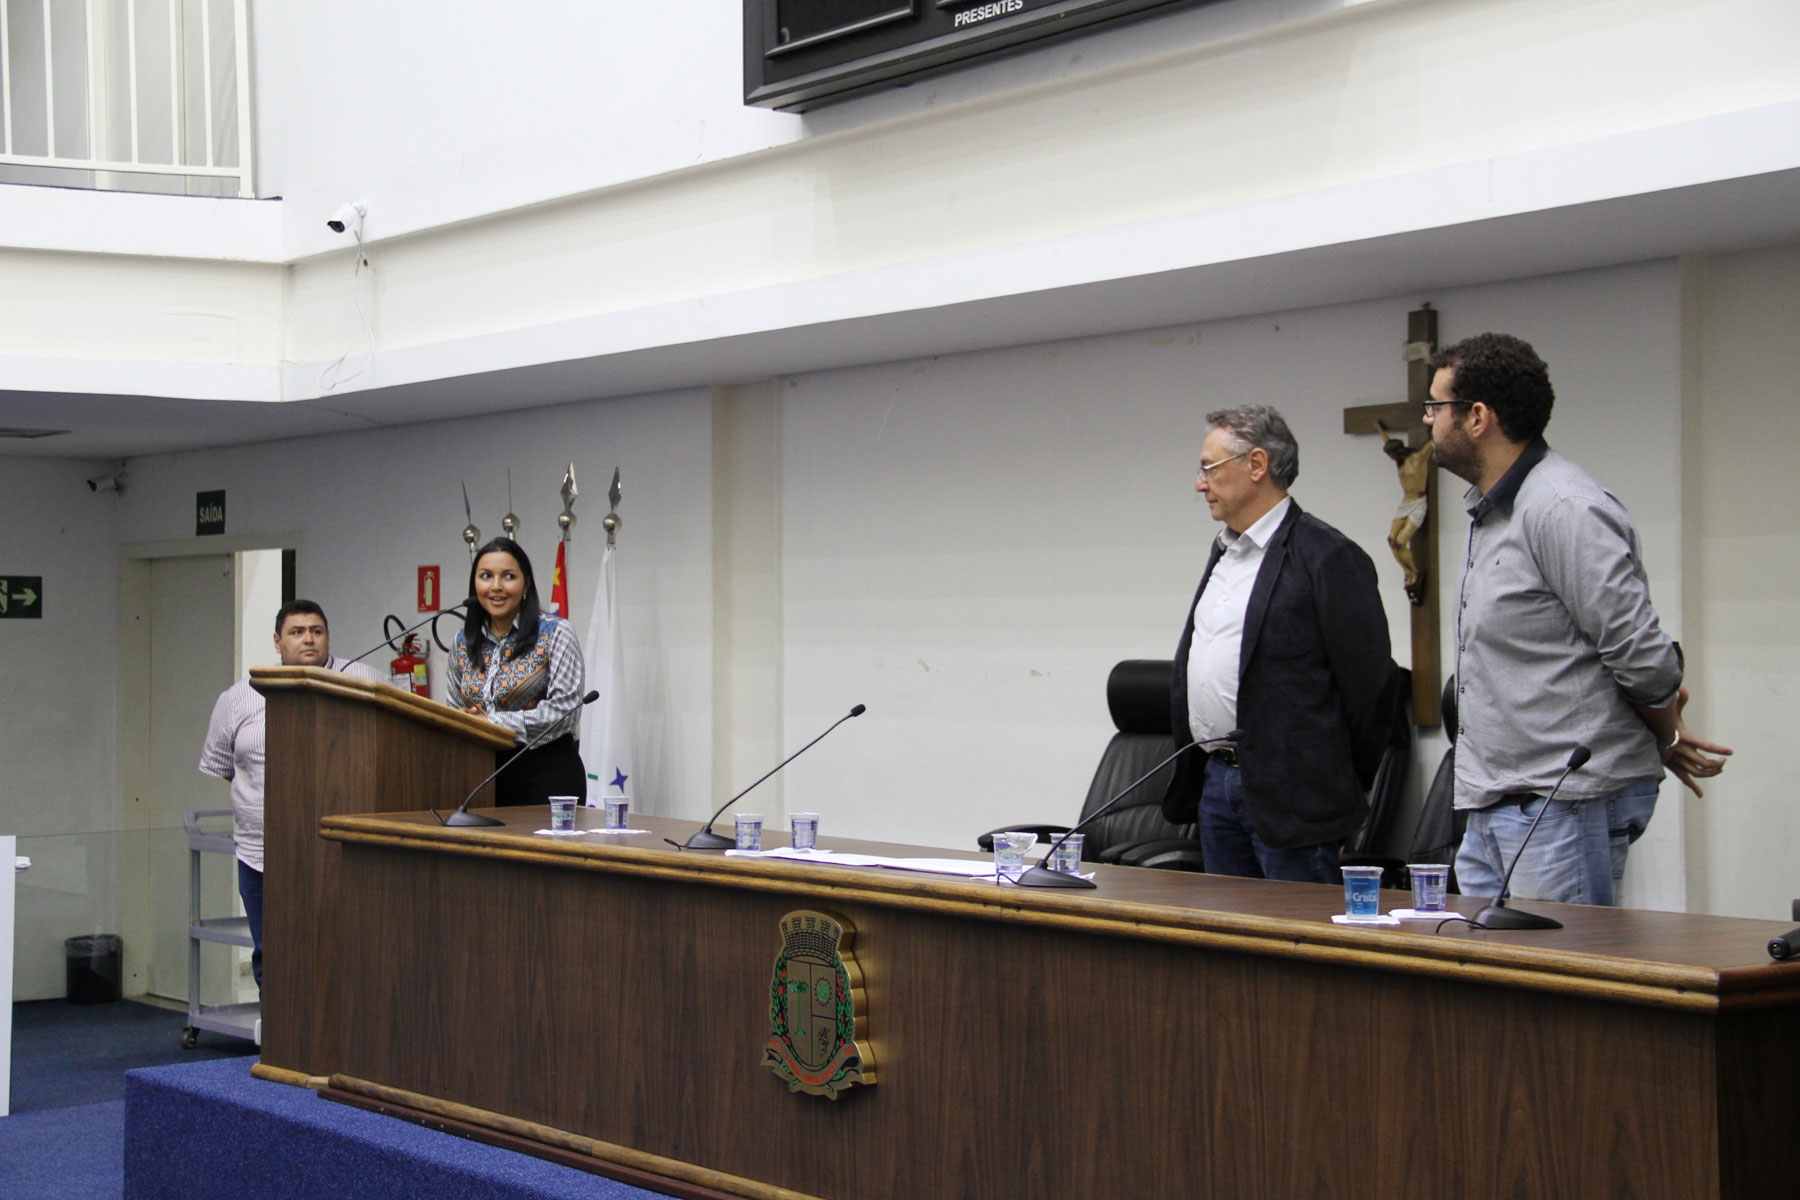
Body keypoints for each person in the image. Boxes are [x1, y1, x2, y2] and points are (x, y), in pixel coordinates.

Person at [1424, 332, 1732, 906]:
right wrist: (1663, 729)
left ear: (1478, 417)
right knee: (1491, 986)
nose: (1427, 422)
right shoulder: (1495, 510)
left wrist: (1663, 728)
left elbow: (1638, 650)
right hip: (1497, 800)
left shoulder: (1562, 507)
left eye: (1435, 407)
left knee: (1560, 984)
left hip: (1561, 806)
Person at [1165, 405, 1398, 883]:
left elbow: (1370, 691)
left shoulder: (1327, 556)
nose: (1199, 483)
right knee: (1229, 946)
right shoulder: (1225, 551)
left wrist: (1332, 791)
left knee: (1298, 944)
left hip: (1297, 797)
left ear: (1256, 466)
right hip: (1216, 781)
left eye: (1208, 468)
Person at [198, 599, 384, 991]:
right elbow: (225, 768)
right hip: (261, 851)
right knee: (273, 952)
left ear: (328, 637)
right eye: (297, 633)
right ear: (278, 642)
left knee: (344, 950)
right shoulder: (240, 697)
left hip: (342, 848)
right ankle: (280, 1048)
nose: (308, 640)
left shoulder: (365, 680)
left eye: (316, 631)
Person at [446, 537, 587, 806]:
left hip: (546, 776)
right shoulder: (462, 641)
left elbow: (563, 713)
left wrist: (493, 724)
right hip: (478, 777)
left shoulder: (556, 633)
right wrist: (461, 720)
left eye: (508, 576)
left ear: (526, 584)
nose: (496, 587)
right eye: (486, 576)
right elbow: (453, 709)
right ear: (475, 585)